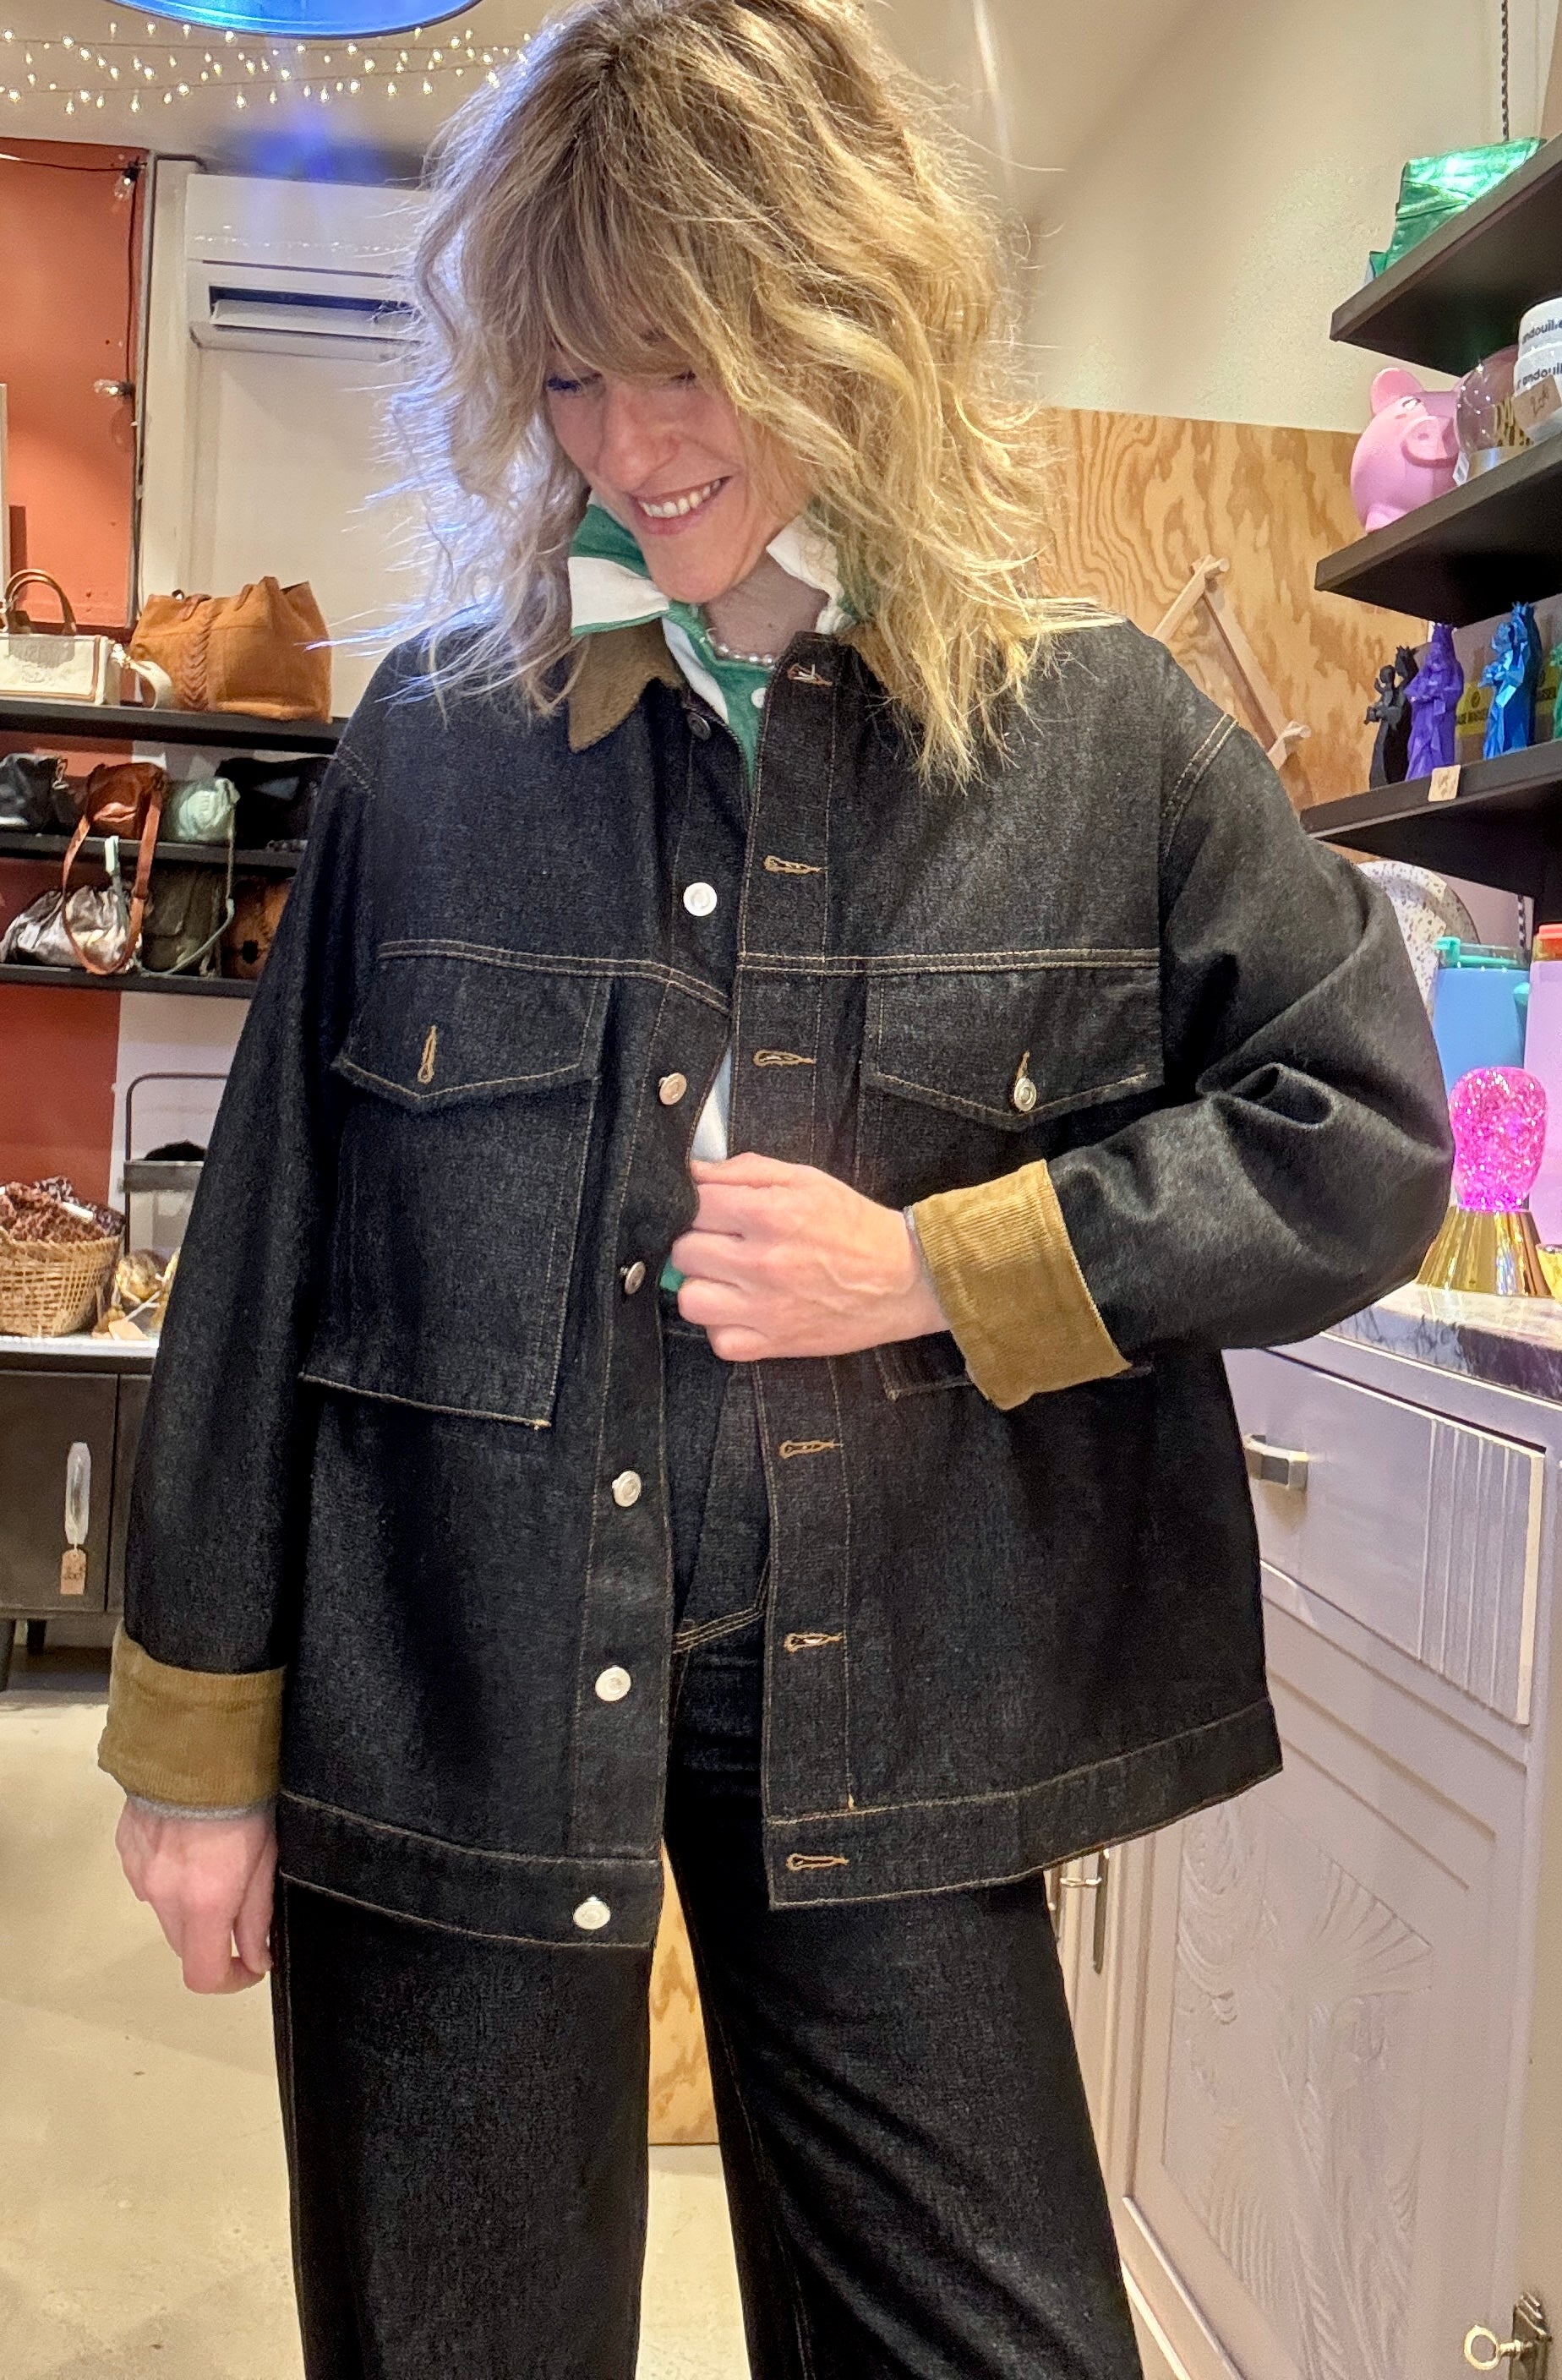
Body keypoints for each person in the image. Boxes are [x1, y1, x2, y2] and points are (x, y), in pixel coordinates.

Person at [99, 2, 1452, 2372]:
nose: (629, 446)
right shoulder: (436, 744)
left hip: (897, 1701)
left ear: (850, 320)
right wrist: (199, 1757)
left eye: (686, 362)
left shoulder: (1097, 736)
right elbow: (264, 1257)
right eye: (569, 377)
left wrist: (942, 1265)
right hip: (455, 1686)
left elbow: (1359, 1139)